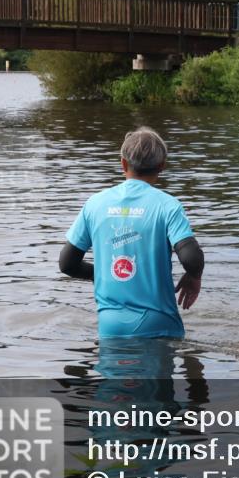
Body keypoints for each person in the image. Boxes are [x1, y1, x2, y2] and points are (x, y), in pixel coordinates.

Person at [59, 127, 204, 339]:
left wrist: (102, 273)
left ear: (123, 164)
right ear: (161, 166)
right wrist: (194, 276)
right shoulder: (168, 206)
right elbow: (191, 258)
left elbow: (67, 264)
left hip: (111, 328)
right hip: (160, 326)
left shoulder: (95, 204)